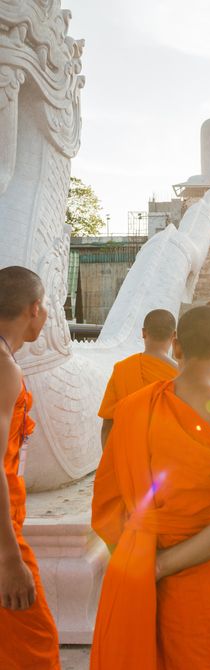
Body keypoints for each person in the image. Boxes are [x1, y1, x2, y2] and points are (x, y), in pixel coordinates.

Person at [90, 306, 210, 669]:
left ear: (177, 347)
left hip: (136, 563)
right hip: (206, 565)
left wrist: (140, 559)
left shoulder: (133, 408)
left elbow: (107, 499)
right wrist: (162, 565)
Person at [0, 266, 60, 670]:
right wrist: (8, 559)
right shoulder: (5, 367)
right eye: (48, 308)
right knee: (36, 647)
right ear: (34, 308)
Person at [98, 310, 178, 448]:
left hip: (127, 455)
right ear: (174, 336)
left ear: (143, 332)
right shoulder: (181, 375)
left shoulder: (123, 369)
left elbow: (107, 425)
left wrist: (111, 461)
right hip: (166, 457)